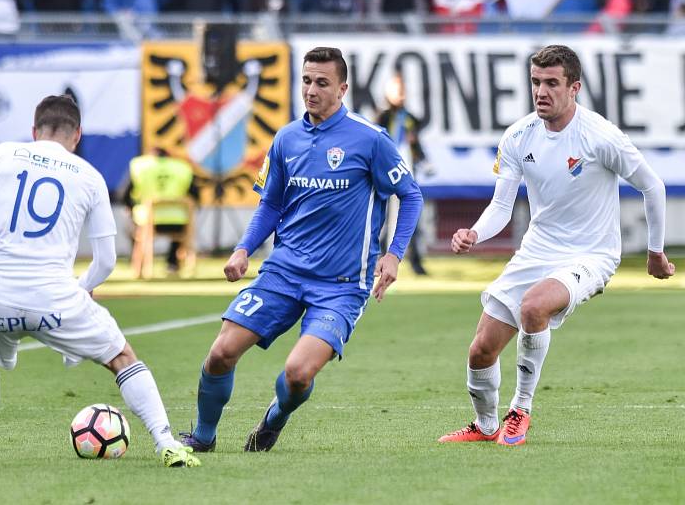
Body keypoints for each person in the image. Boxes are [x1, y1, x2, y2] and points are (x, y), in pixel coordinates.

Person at [0, 95, 201, 468]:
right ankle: (166, 443)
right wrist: (79, 293)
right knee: (121, 356)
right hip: (57, 300)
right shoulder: (89, 176)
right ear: (76, 135)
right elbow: (106, 261)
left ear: (34, 131)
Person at [178, 47, 423, 453]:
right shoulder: (286, 138)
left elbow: (410, 195)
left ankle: (274, 418)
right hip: (283, 273)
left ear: (342, 88)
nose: (311, 90)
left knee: (297, 375)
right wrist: (243, 249)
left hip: (342, 286)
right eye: (306, 80)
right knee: (220, 353)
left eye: (322, 83)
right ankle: (202, 438)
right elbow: (271, 204)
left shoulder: (370, 140)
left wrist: (394, 254)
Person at [438, 45, 675, 447]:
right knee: (480, 351)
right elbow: (501, 205)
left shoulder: (599, 135)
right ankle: (485, 425)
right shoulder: (518, 136)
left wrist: (655, 251)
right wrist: (476, 233)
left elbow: (652, 185)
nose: (541, 91)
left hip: (591, 254)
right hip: (536, 251)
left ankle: (521, 410)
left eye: (551, 83)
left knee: (534, 306)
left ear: (574, 88)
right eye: (535, 82)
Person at [376, 72, 429, 275]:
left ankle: (415, 262)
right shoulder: (382, 116)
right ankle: (379, 258)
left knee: (410, 216)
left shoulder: (409, 118)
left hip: (406, 174)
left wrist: (421, 157)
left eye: (402, 90)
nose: (400, 94)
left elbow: (416, 145)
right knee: (384, 220)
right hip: (385, 176)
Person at [126, 147, 197, 276]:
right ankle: (173, 262)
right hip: (179, 221)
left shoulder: (140, 167)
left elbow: (125, 196)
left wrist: (131, 209)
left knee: (134, 225)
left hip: (148, 221)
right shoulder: (182, 168)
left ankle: (139, 265)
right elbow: (195, 196)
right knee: (181, 229)